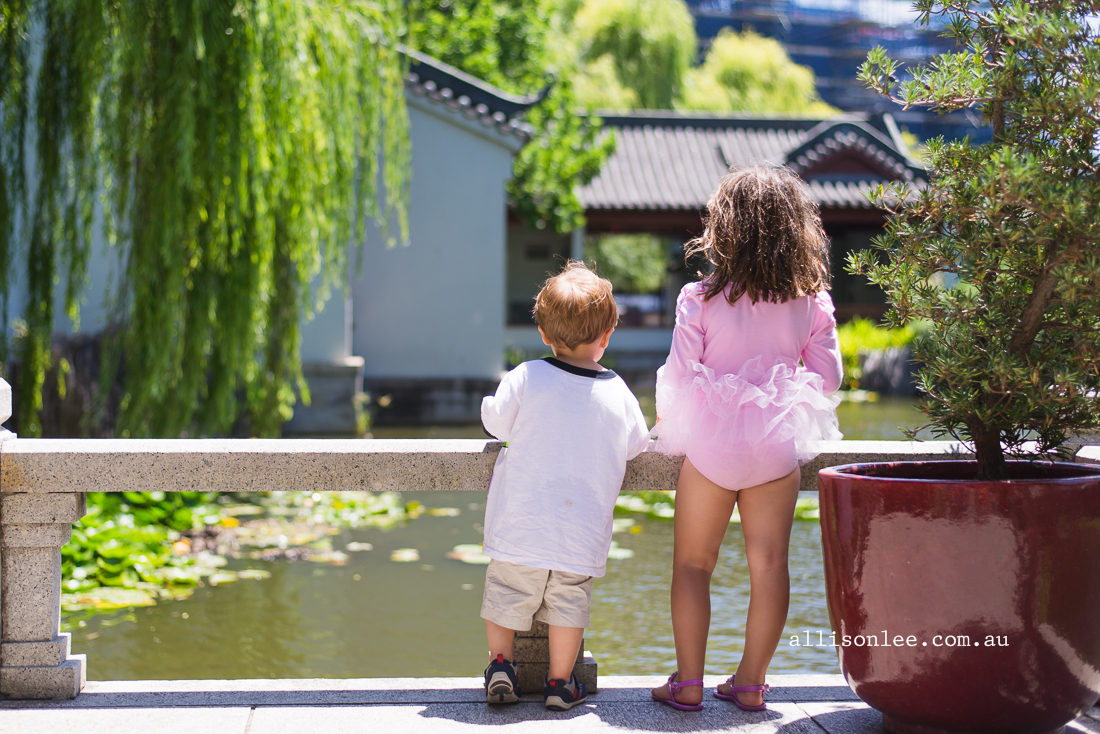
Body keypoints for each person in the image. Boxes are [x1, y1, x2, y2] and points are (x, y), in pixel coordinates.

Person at [648, 165, 843, 712]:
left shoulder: (699, 297)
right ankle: (751, 683)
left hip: (711, 446)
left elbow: (679, 374)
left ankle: (688, 682)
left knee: (692, 565)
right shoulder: (812, 300)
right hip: (775, 445)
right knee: (770, 566)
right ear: (797, 230)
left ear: (725, 230)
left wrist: (672, 428)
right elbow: (827, 381)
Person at [480, 261, 651, 711]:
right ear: (607, 335)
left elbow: (497, 423)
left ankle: (501, 664)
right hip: (581, 526)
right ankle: (560, 683)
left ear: (543, 333)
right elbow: (637, 445)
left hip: (521, 519)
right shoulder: (618, 392)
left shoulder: (526, 376)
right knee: (569, 600)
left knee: (507, 590)